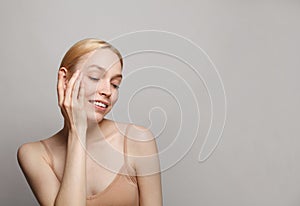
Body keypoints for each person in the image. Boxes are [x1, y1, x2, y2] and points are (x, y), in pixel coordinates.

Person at [17, 38, 163, 206]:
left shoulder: (137, 140)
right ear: (65, 80)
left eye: (115, 84)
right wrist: (78, 132)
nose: (108, 91)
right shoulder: (34, 154)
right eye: (95, 77)